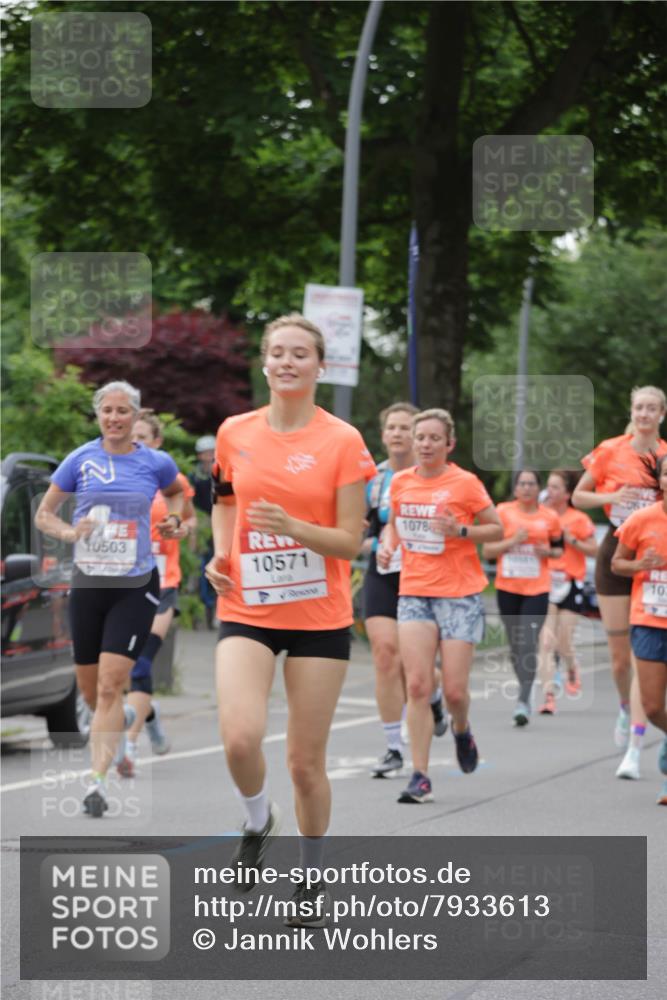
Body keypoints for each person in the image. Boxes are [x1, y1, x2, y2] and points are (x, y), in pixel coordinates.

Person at [205, 313, 375, 918]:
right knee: (240, 735)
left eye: (299, 354)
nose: (285, 362)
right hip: (246, 604)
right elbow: (225, 502)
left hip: (320, 618)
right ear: (264, 361)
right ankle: (257, 820)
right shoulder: (234, 432)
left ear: (319, 367)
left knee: (305, 763)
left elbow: (351, 541)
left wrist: (293, 528)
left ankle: (310, 878)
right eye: (276, 352)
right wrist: (221, 553)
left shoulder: (343, 440)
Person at [35, 381, 183, 817]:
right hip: (89, 583)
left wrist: (174, 520)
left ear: (136, 416)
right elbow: (45, 514)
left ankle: (95, 783)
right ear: (98, 414)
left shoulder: (155, 462)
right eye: (108, 411)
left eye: (123, 411)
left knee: (109, 684)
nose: (115, 418)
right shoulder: (81, 459)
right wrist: (68, 532)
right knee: (90, 691)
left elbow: (177, 496)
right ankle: (115, 732)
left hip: (135, 585)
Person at [378, 408, 502, 803]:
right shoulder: (399, 483)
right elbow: (395, 524)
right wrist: (388, 546)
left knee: (454, 691)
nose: (426, 445)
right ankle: (420, 775)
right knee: (416, 684)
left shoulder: (465, 484)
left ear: (449, 444)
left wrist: (460, 530)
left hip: (459, 594)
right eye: (421, 438)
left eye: (434, 438)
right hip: (414, 591)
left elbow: (497, 528)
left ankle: (462, 728)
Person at [573, 386, 666, 776]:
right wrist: (618, 495)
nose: (644, 413)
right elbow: (579, 497)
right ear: (632, 411)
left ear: (661, 413)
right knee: (617, 658)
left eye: (651, 408)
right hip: (618, 544)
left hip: (657, 545)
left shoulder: (664, 455)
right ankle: (627, 710)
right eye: (638, 407)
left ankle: (638, 740)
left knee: (640, 649)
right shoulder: (612, 449)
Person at [361, 402, 446, 779]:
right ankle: (393, 747)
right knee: (384, 655)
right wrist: (372, 543)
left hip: (424, 577)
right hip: (383, 572)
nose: (397, 434)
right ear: (383, 435)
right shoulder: (374, 479)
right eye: (390, 428)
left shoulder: (429, 476)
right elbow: (362, 531)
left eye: (404, 428)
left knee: (417, 669)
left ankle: (437, 696)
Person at [115, 409, 198, 778]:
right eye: (132, 438)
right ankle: (150, 716)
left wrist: (180, 528)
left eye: (143, 438)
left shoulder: (173, 480)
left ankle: (130, 748)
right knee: (124, 668)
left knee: (143, 663)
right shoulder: (113, 478)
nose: (136, 444)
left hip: (163, 581)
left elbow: (191, 520)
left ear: (157, 443)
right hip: (123, 584)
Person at [482, 470, 563, 726]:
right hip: (508, 588)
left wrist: (546, 551)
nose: (527, 488)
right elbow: (487, 552)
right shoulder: (503, 512)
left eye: (531, 483)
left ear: (538, 488)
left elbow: (560, 550)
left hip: (537, 590)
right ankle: (524, 685)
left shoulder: (549, 517)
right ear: (516, 488)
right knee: (516, 647)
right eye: (522, 483)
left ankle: (523, 700)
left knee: (528, 643)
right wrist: (512, 542)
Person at [611, 454, 667, 805]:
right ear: (660, 480)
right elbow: (617, 563)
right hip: (649, 620)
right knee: (650, 705)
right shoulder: (642, 519)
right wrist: (639, 565)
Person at [537, 470, 598, 715]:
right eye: (548, 487)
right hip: (546, 582)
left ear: (567, 493)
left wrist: (572, 541)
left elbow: (595, 551)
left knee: (564, 643)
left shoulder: (579, 519)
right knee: (545, 642)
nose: (549, 492)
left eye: (555, 488)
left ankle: (572, 667)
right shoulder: (541, 517)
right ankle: (548, 696)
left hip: (571, 583)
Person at [190, 434, 217, 628]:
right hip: (201, 523)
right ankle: (198, 611)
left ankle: (215, 610)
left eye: (212, 452)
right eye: (206, 453)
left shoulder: (221, 472)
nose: (209, 456)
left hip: (219, 520)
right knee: (199, 567)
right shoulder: (194, 476)